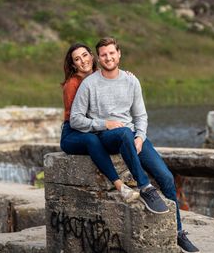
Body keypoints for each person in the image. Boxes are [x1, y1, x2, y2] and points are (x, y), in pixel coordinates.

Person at [70, 37, 199, 252]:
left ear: (119, 54)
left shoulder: (131, 81)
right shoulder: (89, 84)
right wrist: (105, 123)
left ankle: (178, 232)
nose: (108, 57)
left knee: (166, 177)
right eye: (103, 54)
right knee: (122, 133)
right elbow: (75, 119)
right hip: (108, 137)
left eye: (112, 53)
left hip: (133, 137)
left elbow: (141, 115)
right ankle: (144, 186)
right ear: (98, 58)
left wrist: (140, 136)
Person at [60, 42, 139, 203]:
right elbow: (76, 119)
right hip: (73, 132)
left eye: (84, 55)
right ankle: (120, 186)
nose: (83, 61)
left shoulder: (100, 74)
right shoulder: (72, 84)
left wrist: (127, 76)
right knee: (92, 140)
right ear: (74, 64)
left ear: (92, 55)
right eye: (77, 59)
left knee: (103, 137)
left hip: (94, 127)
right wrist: (105, 123)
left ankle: (140, 181)